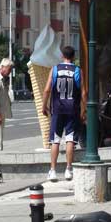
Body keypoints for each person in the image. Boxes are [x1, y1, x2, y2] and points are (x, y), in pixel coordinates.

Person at [42, 46, 87, 182]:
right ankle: (68, 169)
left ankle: (53, 170)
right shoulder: (78, 71)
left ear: (62, 55)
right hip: (72, 109)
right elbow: (84, 92)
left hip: (57, 109)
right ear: (73, 57)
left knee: (55, 140)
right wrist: (83, 109)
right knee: (70, 140)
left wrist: (44, 106)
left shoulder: (55, 69)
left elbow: (47, 90)